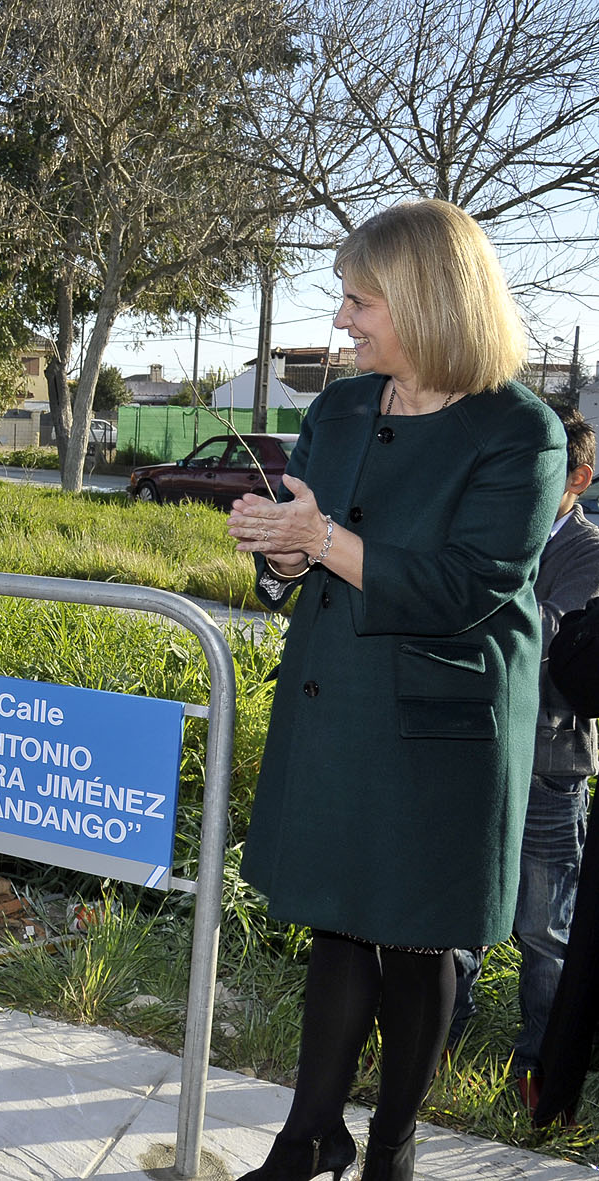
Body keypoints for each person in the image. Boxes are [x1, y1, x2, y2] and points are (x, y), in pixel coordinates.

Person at [226, 200, 562, 1181]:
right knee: (338, 917)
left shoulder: (517, 431)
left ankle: (391, 1145)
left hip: (439, 724)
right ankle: (308, 1134)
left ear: (422, 299)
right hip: (337, 700)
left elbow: (471, 586)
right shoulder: (336, 409)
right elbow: (297, 553)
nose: (341, 321)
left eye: (357, 299)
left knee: (417, 939)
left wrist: (321, 541)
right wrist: (280, 556)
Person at [446, 408, 599, 1106]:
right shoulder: (497, 533)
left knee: (544, 928)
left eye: (544, 470)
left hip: (548, 766)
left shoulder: (588, 552)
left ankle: (536, 1069)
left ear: (578, 477)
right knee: (461, 908)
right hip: (479, 753)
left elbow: (540, 645)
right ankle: (443, 1035)